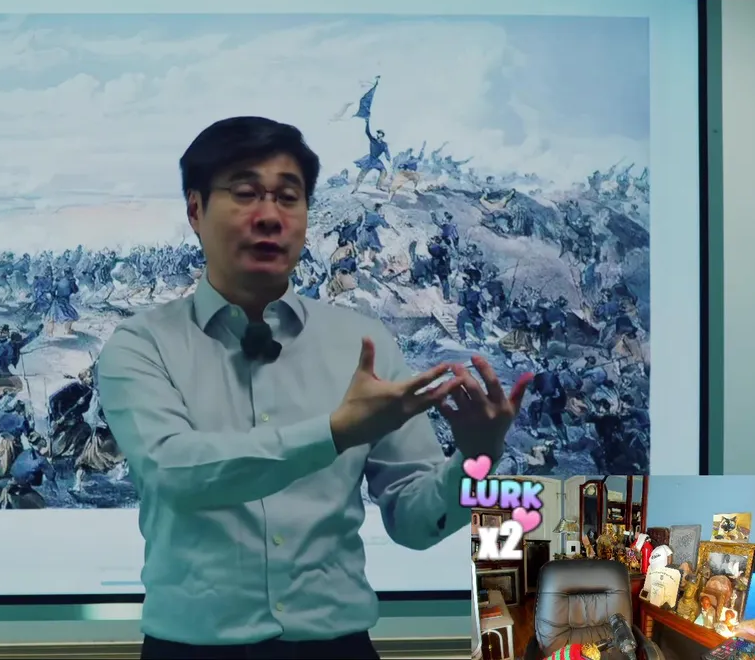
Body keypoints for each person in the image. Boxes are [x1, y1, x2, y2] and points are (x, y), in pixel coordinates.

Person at [97, 117, 533, 660]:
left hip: (339, 648)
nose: (269, 216)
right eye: (245, 193)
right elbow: (175, 472)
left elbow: (415, 522)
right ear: (195, 210)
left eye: (288, 197)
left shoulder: (362, 343)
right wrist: (334, 432)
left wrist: (476, 461)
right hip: (191, 651)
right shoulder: (143, 345)